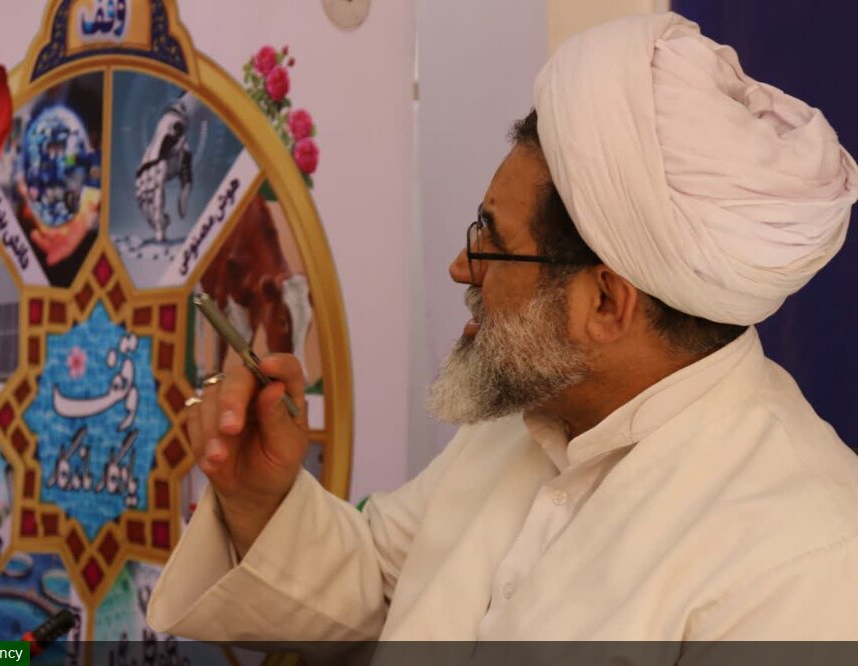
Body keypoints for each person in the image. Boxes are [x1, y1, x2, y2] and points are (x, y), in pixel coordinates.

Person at [147, 11, 858, 648]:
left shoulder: (804, 559)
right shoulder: (532, 411)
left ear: (605, 302)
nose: (462, 267)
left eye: (493, 240)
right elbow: (383, 589)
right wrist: (260, 496)